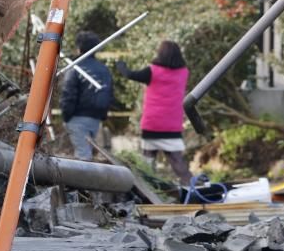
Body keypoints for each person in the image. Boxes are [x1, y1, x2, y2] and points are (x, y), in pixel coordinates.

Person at [116, 40, 192, 185]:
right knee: (178, 162)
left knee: (147, 163)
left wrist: (121, 66)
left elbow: (130, 74)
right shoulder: (184, 73)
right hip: (172, 125)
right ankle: (192, 187)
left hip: (152, 124)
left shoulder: (152, 71)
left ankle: (148, 190)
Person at [60, 30, 114, 161]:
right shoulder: (104, 70)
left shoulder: (76, 68)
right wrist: (103, 115)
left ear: (79, 48)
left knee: (83, 155)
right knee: (89, 152)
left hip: (77, 117)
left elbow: (68, 93)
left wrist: (66, 116)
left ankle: (82, 181)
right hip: (96, 118)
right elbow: (109, 93)